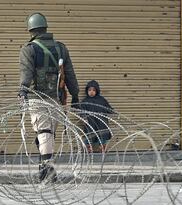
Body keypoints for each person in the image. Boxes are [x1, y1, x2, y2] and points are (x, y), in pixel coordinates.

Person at [18, 13, 79, 182]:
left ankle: (48, 168)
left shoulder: (28, 49)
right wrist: (75, 94)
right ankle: (44, 166)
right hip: (56, 99)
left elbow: (27, 74)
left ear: (31, 30)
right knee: (48, 133)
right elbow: (70, 74)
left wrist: (22, 91)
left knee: (43, 131)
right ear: (45, 28)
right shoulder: (61, 48)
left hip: (37, 98)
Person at [80, 80, 114, 153]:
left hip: (101, 123)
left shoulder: (102, 100)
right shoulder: (84, 101)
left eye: (93, 90)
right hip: (90, 123)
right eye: (89, 90)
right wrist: (84, 118)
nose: (91, 92)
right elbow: (81, 111)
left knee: (102, 135)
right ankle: (88, 149)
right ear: (87, 91)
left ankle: (102, 148)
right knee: (89, 136)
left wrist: (112, 111)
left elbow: (108, 108)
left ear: (97, 90)